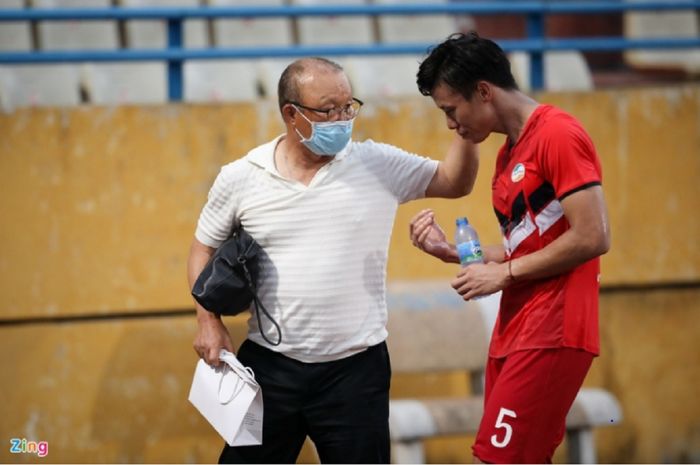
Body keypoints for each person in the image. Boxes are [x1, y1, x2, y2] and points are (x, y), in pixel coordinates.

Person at [186, 56, 479, 464]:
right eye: (328, 110)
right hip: (270, 368)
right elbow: (203, 248)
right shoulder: (242, 176)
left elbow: (454, 181)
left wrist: (467, 127)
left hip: (356, 373)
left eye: (348, 107)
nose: (342, 118)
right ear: (291, 113)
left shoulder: (376, 163)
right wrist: (208, 322)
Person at [409, 32, 611, 463]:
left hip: (554, 327)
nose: (450, 124)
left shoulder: (558, 133)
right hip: (518, 326)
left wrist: (504, 274)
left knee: (500, 460)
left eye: (451, 109)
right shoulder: (507, 154)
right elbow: (529, 247)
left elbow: (593, 235)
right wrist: (456, 253)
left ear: (483, 91)